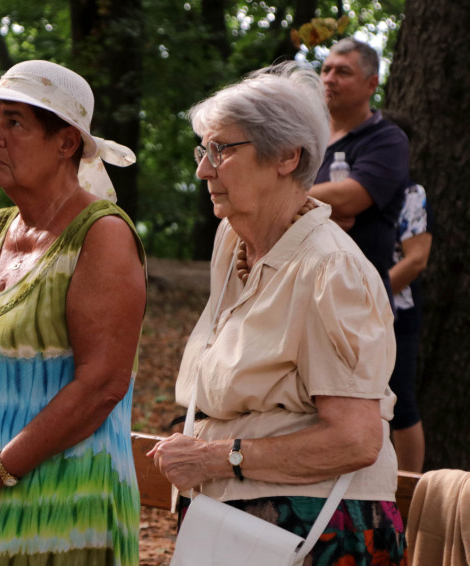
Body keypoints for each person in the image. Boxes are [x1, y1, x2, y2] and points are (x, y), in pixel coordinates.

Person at [149, 61, 407, 563]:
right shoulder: (233, 241)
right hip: (234, 521)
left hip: (317, 530)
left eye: (222, 150)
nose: (203, 170)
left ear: (288, 156)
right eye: (203, 150)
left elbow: (355, 440)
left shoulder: (330, 269)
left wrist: (216, 457)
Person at [0, 60, 146, 566]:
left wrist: (0, 469)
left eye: (14, 122)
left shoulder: (102, 235)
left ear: (66, 143)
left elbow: (102, 385)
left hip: (62, 516)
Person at [310, 38, 410, 304]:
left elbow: (348, 199)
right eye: (326, 70)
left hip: (357, 298)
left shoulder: (388, 139)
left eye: (343, 72)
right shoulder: (305, 138)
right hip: (300, 289)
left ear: (372, 84)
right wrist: (321, 207)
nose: (329, 79)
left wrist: (285, 199)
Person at [388, 182, 431, 473]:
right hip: (340, 309)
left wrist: (368, 293)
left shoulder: (411, 193)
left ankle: (407, 489)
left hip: (397, 313)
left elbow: (416, 259)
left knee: (400, 404)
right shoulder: (336, 180)